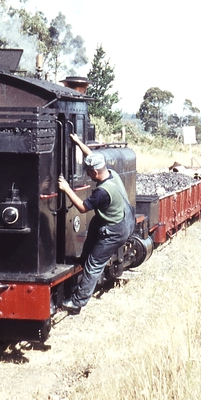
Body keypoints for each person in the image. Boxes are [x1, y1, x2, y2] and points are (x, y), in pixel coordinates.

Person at [58, 133, 135, 313]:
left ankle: (77, 302)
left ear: (95, 172)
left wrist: (67, 189)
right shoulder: (111, 173)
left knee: (94, 264)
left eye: (88, 171)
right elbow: (90, 157)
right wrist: (78, 142)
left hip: (117, 229)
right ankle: (83, 261)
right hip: (123, 217)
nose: (87, 174)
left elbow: (83, 207)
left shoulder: (102, 192)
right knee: (94, 224)